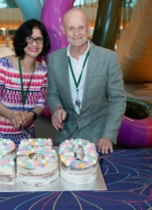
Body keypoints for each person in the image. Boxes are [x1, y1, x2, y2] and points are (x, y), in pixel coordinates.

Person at [47, 8, 126, 154]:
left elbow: (118, 99)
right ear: (64, 30)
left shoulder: (108, 58)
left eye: (81, 27)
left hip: (98, 136)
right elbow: (52, 94)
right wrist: (57, 108)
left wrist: (108, 135)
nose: (76, 33)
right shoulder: (54, 59)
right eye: (71, 28)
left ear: (88, 28)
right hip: (66, 135)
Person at [0, 19, 50, 146]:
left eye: (39, 39)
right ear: (21, 40)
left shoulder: (42, 71)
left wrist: (30, 116)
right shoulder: (3, 64)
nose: (34, 43)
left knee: (26, 164)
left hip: (25, 130)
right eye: (29, 38)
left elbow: (40, 104)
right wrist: (11, 115)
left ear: (44, 42)